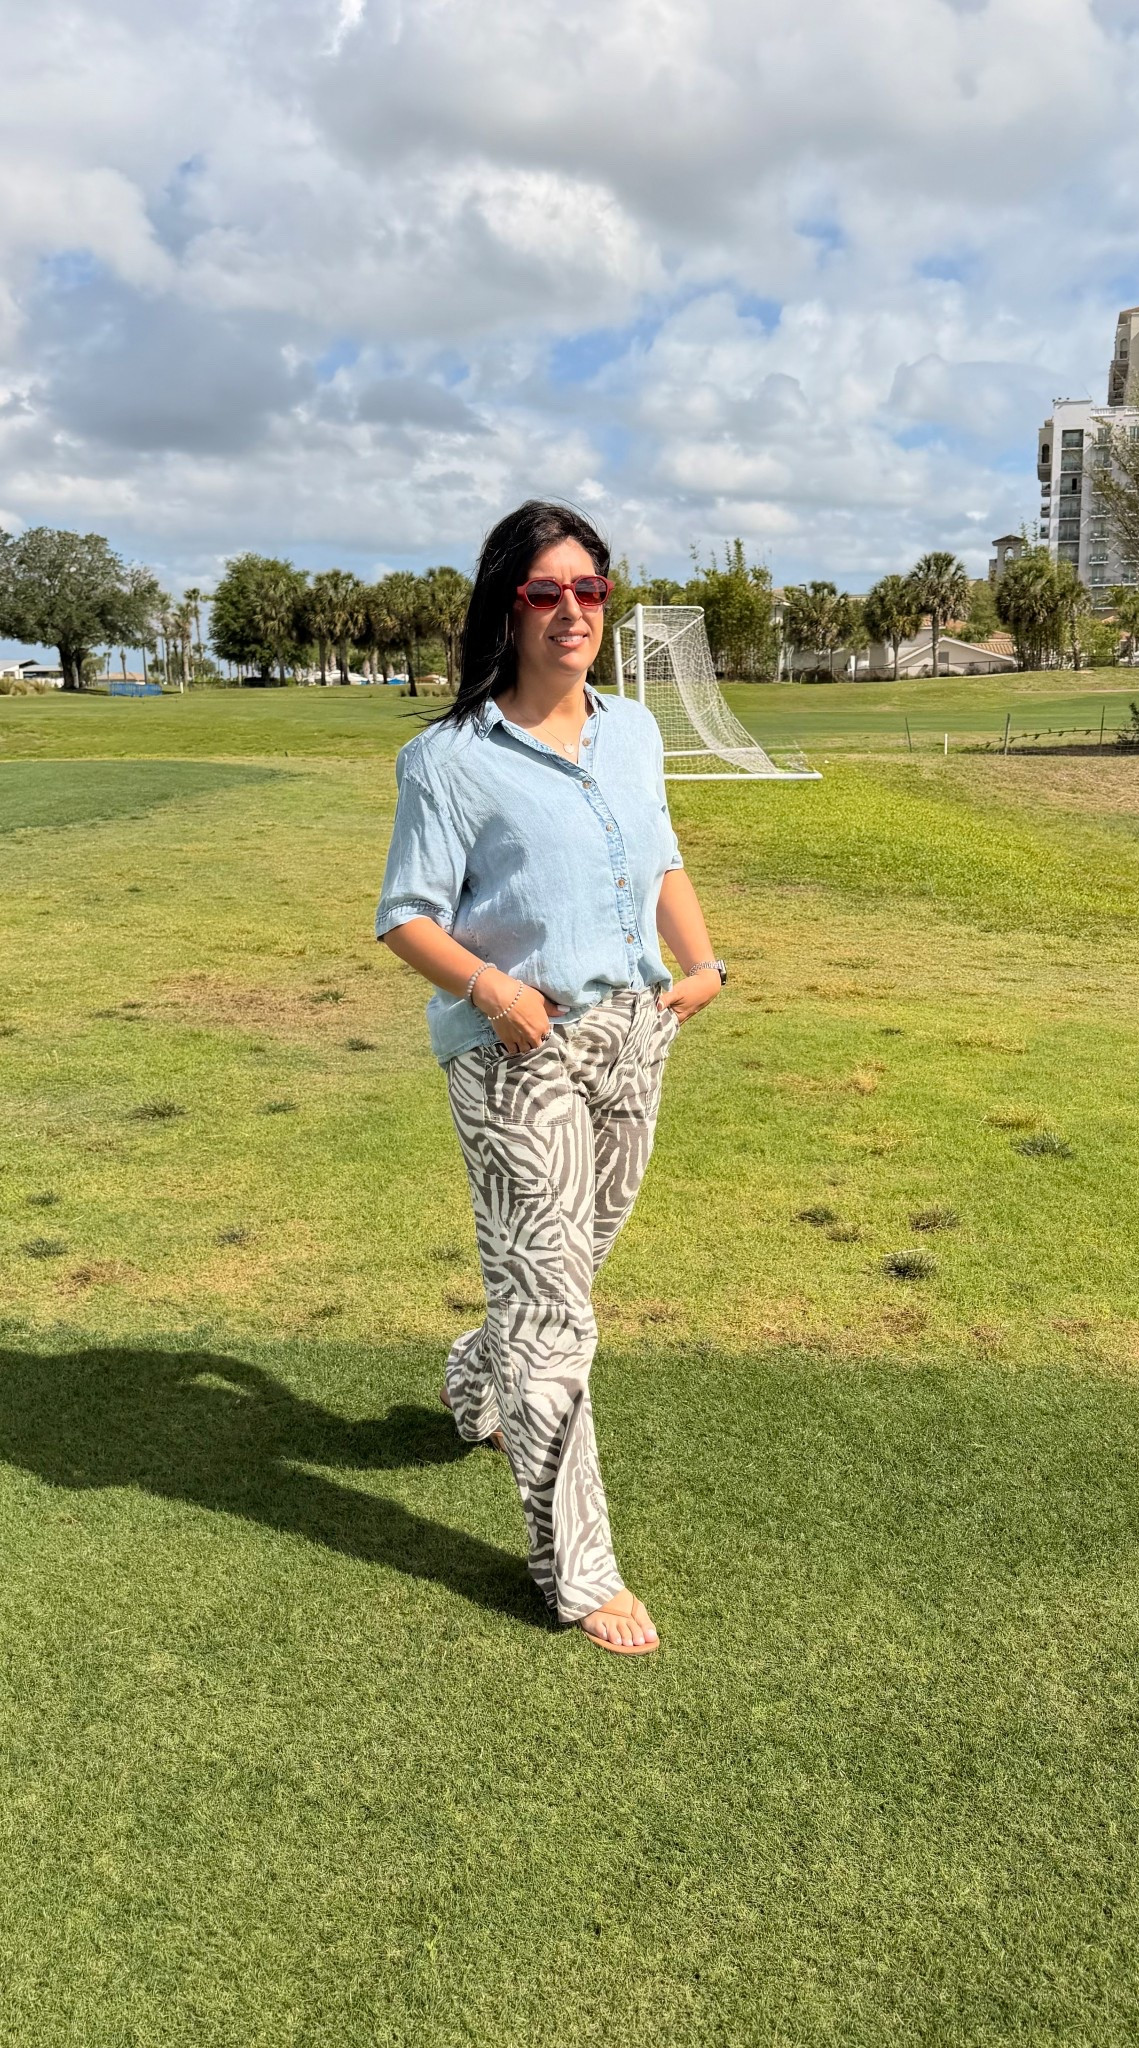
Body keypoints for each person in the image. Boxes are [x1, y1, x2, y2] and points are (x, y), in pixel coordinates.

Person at [374, 501, 726, 1654]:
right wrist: (496, 991)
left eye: (592, 589)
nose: (573, 610)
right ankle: (575, 1568)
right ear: (508, 605)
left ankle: (478, 1375)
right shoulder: (449, 759)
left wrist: (702, 963)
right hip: (517, 1049)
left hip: (633, 1034)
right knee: (558, 1312)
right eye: (547, 592)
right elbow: (406, 918)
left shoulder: (630, 731)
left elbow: (660, 848)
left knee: (564, 1271)